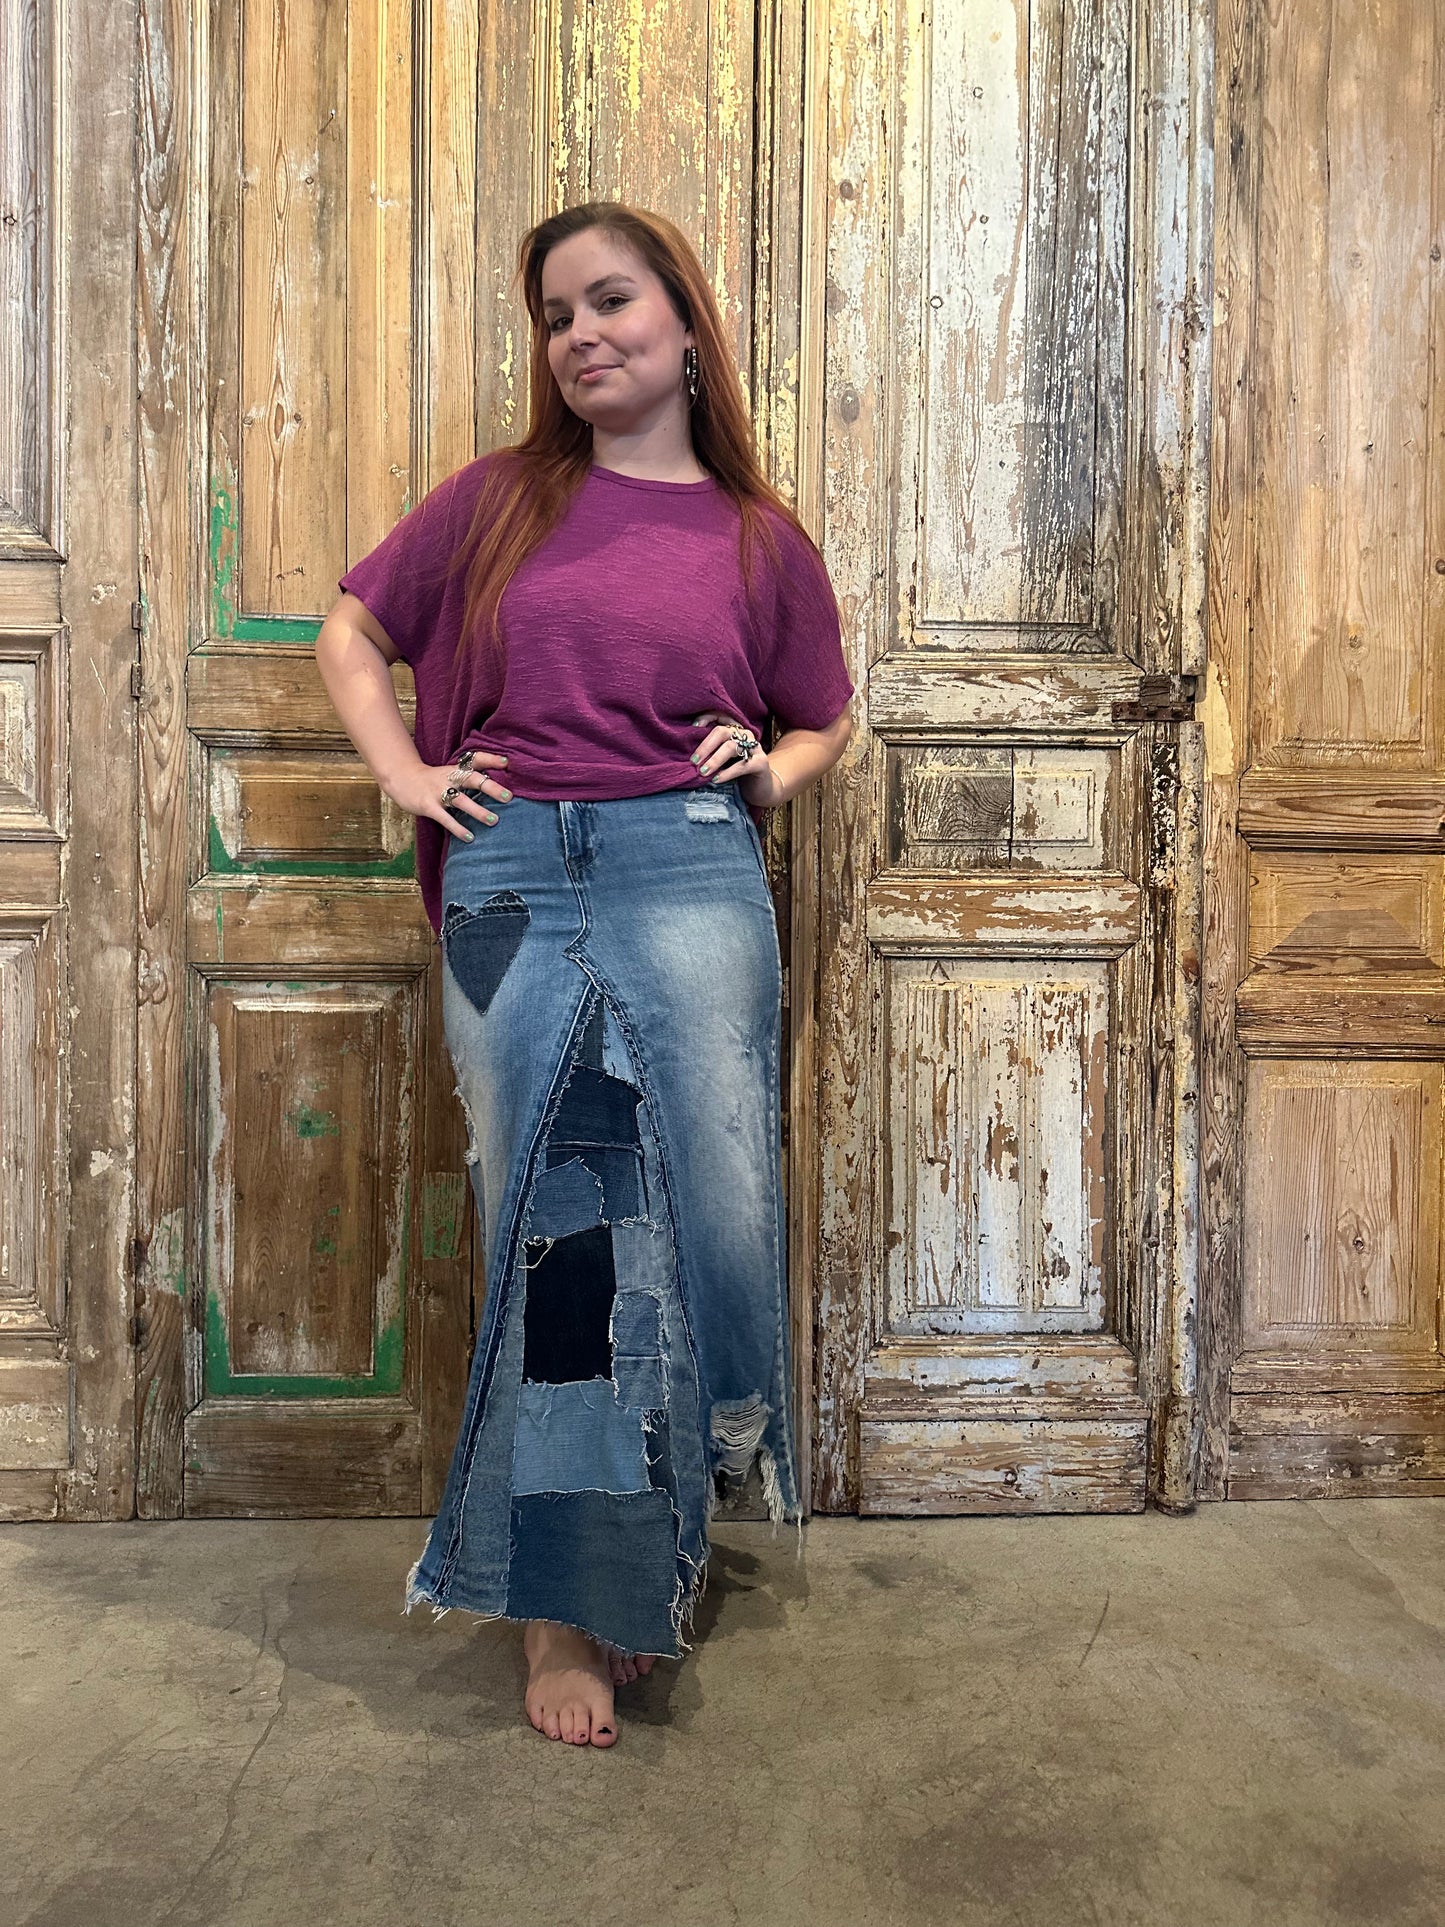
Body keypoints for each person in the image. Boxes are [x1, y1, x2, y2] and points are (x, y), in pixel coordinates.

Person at [315, 200, 853, 1748]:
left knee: (704, 1222)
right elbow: (351, 635)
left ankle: (655, 1544)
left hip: (686, 863)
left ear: (683, 322)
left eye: (608, 301)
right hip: (510, 877)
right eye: (555, 316)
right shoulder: (494, 502)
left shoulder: (756, 539)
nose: (580, 336)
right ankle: (564, 1603)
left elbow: (824, 711)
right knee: (562, 1234)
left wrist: (773, 771)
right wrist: (412, 778)